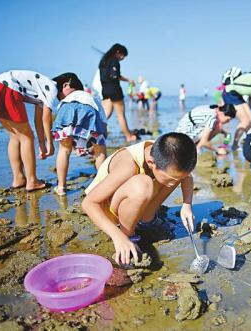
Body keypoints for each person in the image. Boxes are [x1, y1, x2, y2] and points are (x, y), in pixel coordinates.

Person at [82, 132, 197, 265]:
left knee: (175, 175)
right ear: (150, 162)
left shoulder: (164, 153)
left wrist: (187, 205)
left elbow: (186, 176)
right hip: (106, 209)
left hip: (130, 199)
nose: (173, 184)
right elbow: (88, 203)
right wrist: (117, 237)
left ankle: (147, 219)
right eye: (171, 180)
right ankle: (128, 235)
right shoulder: (128, 165)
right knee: (142, 185)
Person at [0, 70, 58, 191]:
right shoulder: (51, 87)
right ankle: (32, 181)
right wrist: (50, 144)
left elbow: (38, 119)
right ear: (65, 85)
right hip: (7, 86)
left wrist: (42, 143)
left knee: (15, 136)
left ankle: (18, 178)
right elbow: (46, 118)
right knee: (26, 137)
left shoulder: (39, 89)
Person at [51, 73, 107, 196]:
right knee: (100, 150)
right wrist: (103, 135)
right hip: (89, 109)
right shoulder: (90, 96)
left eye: (59, 93)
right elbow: (102, 119)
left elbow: (67, 123)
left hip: (66, 110)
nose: (59, 97)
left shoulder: (64, 101)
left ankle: (61, 187)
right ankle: (103, 184)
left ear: (66, 85)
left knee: (64, 150)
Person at [98, 43, 137, 142]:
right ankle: (128, 136)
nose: (123, 58)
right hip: (115, 90)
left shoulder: (103, 61)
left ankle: (95, 132)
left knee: (105, 114)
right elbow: (116, 76)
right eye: (123, 56)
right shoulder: (114, 61)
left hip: (105, 90)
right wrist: (129, 80)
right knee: (121, 115)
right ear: (118, 52)